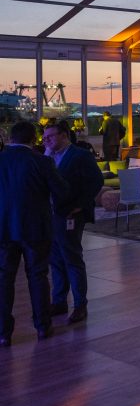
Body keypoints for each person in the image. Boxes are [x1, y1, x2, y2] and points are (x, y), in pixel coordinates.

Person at [0, 120, 69, 344]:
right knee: (38, 276)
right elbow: (61, 193)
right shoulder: (43, 162)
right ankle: (42, 326)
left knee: (4, 279)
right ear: (33, 139)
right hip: (35, 229)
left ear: (11, 138)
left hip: (3, 230)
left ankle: (3, 334)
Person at [42, 120, 102, 326]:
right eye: (45, 136)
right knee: (55, 259)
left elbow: (96, 181)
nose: (46, 140)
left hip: (70, 215)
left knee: (72, 258)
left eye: (50, 136)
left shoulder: (80, 156)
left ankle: (79, 304)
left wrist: (80, 205)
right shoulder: (47, 156)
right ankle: (59, 301)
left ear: (64, 135)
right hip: (51, 214)